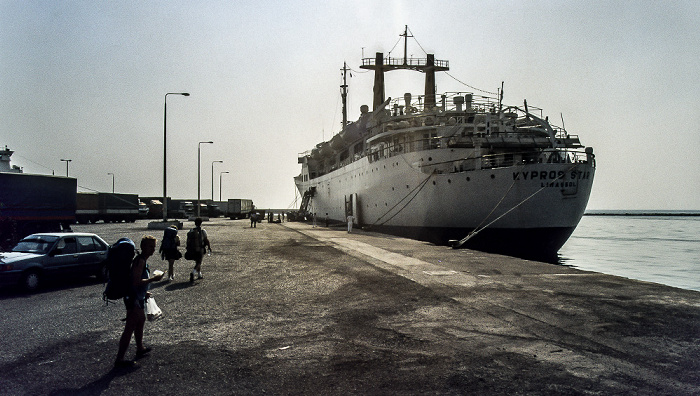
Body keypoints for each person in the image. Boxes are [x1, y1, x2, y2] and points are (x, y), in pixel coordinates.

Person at [115, 235, 164, 368]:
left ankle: (140, 347)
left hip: (137, 297)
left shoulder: (142, 260)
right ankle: (119, 360)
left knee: (140, 321)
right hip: (133, 298)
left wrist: (145, 292)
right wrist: (153, 280)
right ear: (143, 247)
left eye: (154, 247)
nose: (153, 249)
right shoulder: (140, 261)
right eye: (150, 246)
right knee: (129, 328)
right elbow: (135, 281)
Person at [188, 217, 211, 283]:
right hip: (200, 248)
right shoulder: (203, 231)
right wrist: (209, 247)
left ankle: (199, 274)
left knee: (197, 261)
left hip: (192, 248)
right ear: (201, 223)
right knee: (199, 262)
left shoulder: (191, 230)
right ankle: (193, 272)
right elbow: (206, 240)